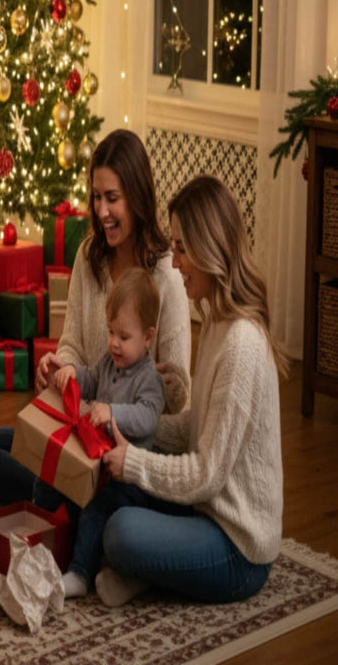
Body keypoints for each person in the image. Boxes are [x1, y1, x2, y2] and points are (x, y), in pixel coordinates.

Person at [0, 128, 191, 509]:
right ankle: (67, 500)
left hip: (128, 451)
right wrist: (59, 368)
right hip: (78, 430)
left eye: (112, 198)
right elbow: (70, 344)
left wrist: (116, 419)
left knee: (66, 485)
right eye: (96, 197)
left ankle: (65, 503)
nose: (101, 211)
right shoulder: (90, 255)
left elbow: (177, 400)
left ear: (137, 197)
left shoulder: (167, 274)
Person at [95, 175, 285, 607]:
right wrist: (128, 425)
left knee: (120, 531)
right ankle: (155, 570)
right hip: (207, 512)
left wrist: (135, 462)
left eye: (181, 248)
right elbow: (197, 431)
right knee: (113, 488)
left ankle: (149, 572)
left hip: (238, 549)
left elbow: (205, 474)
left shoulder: (241, 343)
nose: (175, 263)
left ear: (208, 248)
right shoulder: (217, 320)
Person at [54, 267, 166, 599]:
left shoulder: (149, 379)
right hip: (97, 466)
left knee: (97, 508)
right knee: (68, 496)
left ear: (148, 338)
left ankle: (79, 573)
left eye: (124, 337)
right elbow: (91, 377)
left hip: (130, 481)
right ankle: (64, 549)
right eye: (111, 332)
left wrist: (111, 412)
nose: (114, 344)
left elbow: (148, 418)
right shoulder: (109, 361)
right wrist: (72, 373)